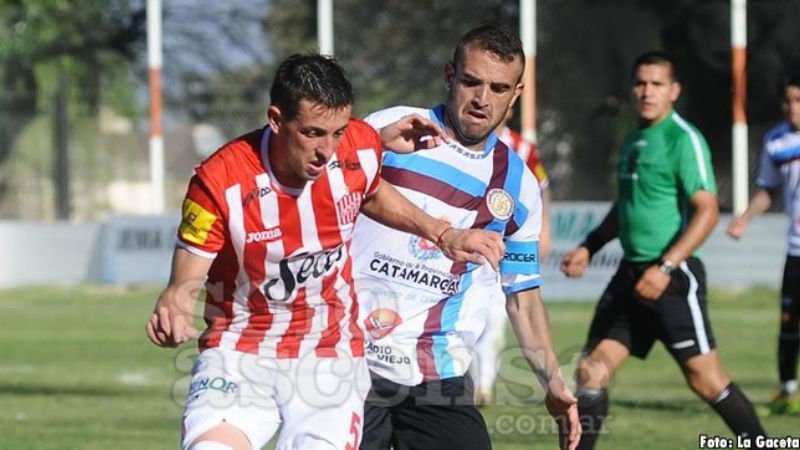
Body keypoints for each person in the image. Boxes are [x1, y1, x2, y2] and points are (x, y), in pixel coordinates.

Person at [144, 53, 506, 450]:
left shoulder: (357, 147)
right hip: (239, 352)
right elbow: (184, 282)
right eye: (313, 133)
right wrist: (175, 304)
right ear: (276, 119)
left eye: (338, 133)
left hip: (329, 356)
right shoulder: (220, 181)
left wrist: (443, 234)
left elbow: (370, 190)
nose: (328, 150)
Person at [351, 25, 580, 450]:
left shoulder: (519, 185)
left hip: (439, 373)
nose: (482, 99)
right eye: (472, 81)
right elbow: (322, 192)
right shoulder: (391, 128)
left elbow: (523, 298)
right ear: (449, 75)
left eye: (498, 88)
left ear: (516, 94)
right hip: (352, 358)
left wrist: (553, 381)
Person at [560, 51, 766, 449]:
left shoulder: (682, 139)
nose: (647, 91)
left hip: (672, 277)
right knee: (590, 371)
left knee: (706, 380)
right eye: (640, 83)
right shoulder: (633, 140)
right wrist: (589, 246)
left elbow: (707, 211)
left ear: (674, 90)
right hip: (630, 275)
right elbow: (626, 206)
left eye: (656, 84)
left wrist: (666, 266)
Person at [727, 74, 800, 415]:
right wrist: (743, 218)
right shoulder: (776, 141)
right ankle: (787, 392)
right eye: (788, 100)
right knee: (789, 320)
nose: (792, 107)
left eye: (799, 100)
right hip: (796, 249)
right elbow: (767, 191)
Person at [474, 106, 553, 405]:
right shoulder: (462, 141)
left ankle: (483, 385)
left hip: (505, 247)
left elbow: (542, 188)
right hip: (468, 246)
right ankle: (464, 379)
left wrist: (545, 230)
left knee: (495, 318)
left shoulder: (523, 148)